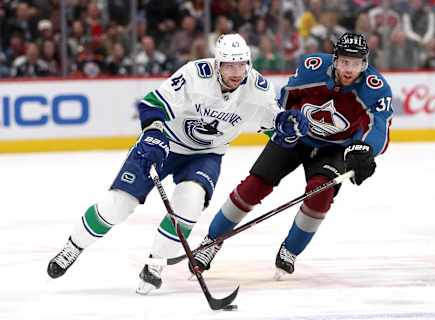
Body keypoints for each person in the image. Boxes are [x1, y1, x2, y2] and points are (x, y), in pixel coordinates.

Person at [46, 34, 308, 294]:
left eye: (241, 64)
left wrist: (287, 126)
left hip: (206, 153)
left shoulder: (257, 88)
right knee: (118, 205)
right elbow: (152, 104)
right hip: (165, 143)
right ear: (218, 64)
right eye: (229, 65)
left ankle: (155, 264)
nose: (236, 72)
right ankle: (74, 246)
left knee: (190, 203)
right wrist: (154, 135)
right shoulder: (195, 75)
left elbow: (274, 124)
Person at [191, 32, 394, 279]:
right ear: (334, 59)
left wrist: (365, 149)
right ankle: (211, 242)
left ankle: (290, 250)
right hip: (295, 136)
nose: (348, 68)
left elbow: (379, 125)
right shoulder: (313, 68)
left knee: (321, 192)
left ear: (365, 63)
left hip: (334, 149)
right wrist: (281, 122)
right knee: (254, 187)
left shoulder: (376, 88)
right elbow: (286, 97)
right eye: (343, 61)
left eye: (355, 63)